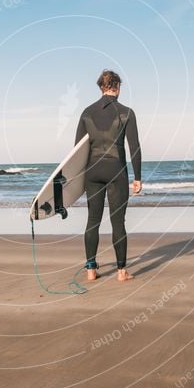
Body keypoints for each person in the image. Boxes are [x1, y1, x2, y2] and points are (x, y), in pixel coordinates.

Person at [75, 69, 142, 283]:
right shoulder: (127, 112)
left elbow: (77, 150)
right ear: (117, 87)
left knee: (92, 221)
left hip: (92, 172)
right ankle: (122, 272)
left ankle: (91, 270)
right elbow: (135, 148)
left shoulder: (86, 112)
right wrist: (137, 178)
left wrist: (77, 180)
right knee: (117, 222)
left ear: (101, 87)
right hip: (116, 171)